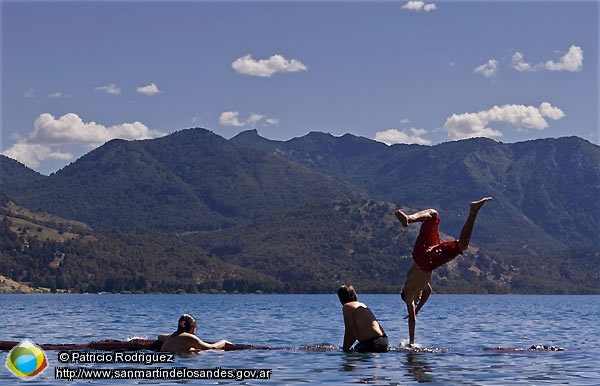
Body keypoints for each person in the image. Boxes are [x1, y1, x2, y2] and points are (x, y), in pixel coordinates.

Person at [396, 197, 491, 346]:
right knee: (433, 214)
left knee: (462, 246)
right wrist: (419, 308)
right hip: (420, 252)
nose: (419, 297)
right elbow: (428, 292)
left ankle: (473, 212)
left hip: (425, 260)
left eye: (417, 299)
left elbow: (413, 319)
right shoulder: (417, 283)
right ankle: (409, 218)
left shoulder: (409, 296)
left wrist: (412, 342)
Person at [337, 284, 389, 353]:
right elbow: (354, 333)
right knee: (356, 348)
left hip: (374, 344)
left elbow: (349, 332)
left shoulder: (347, 306)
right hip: (383, 342)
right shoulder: (361, 305)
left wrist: (345, 349)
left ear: (341, 298)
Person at [158, 314, 231, 352]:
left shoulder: (173, 335)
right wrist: (223, 341)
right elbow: (212, 347)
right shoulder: (188, 337)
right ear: (192, 327)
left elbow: (160, 336)